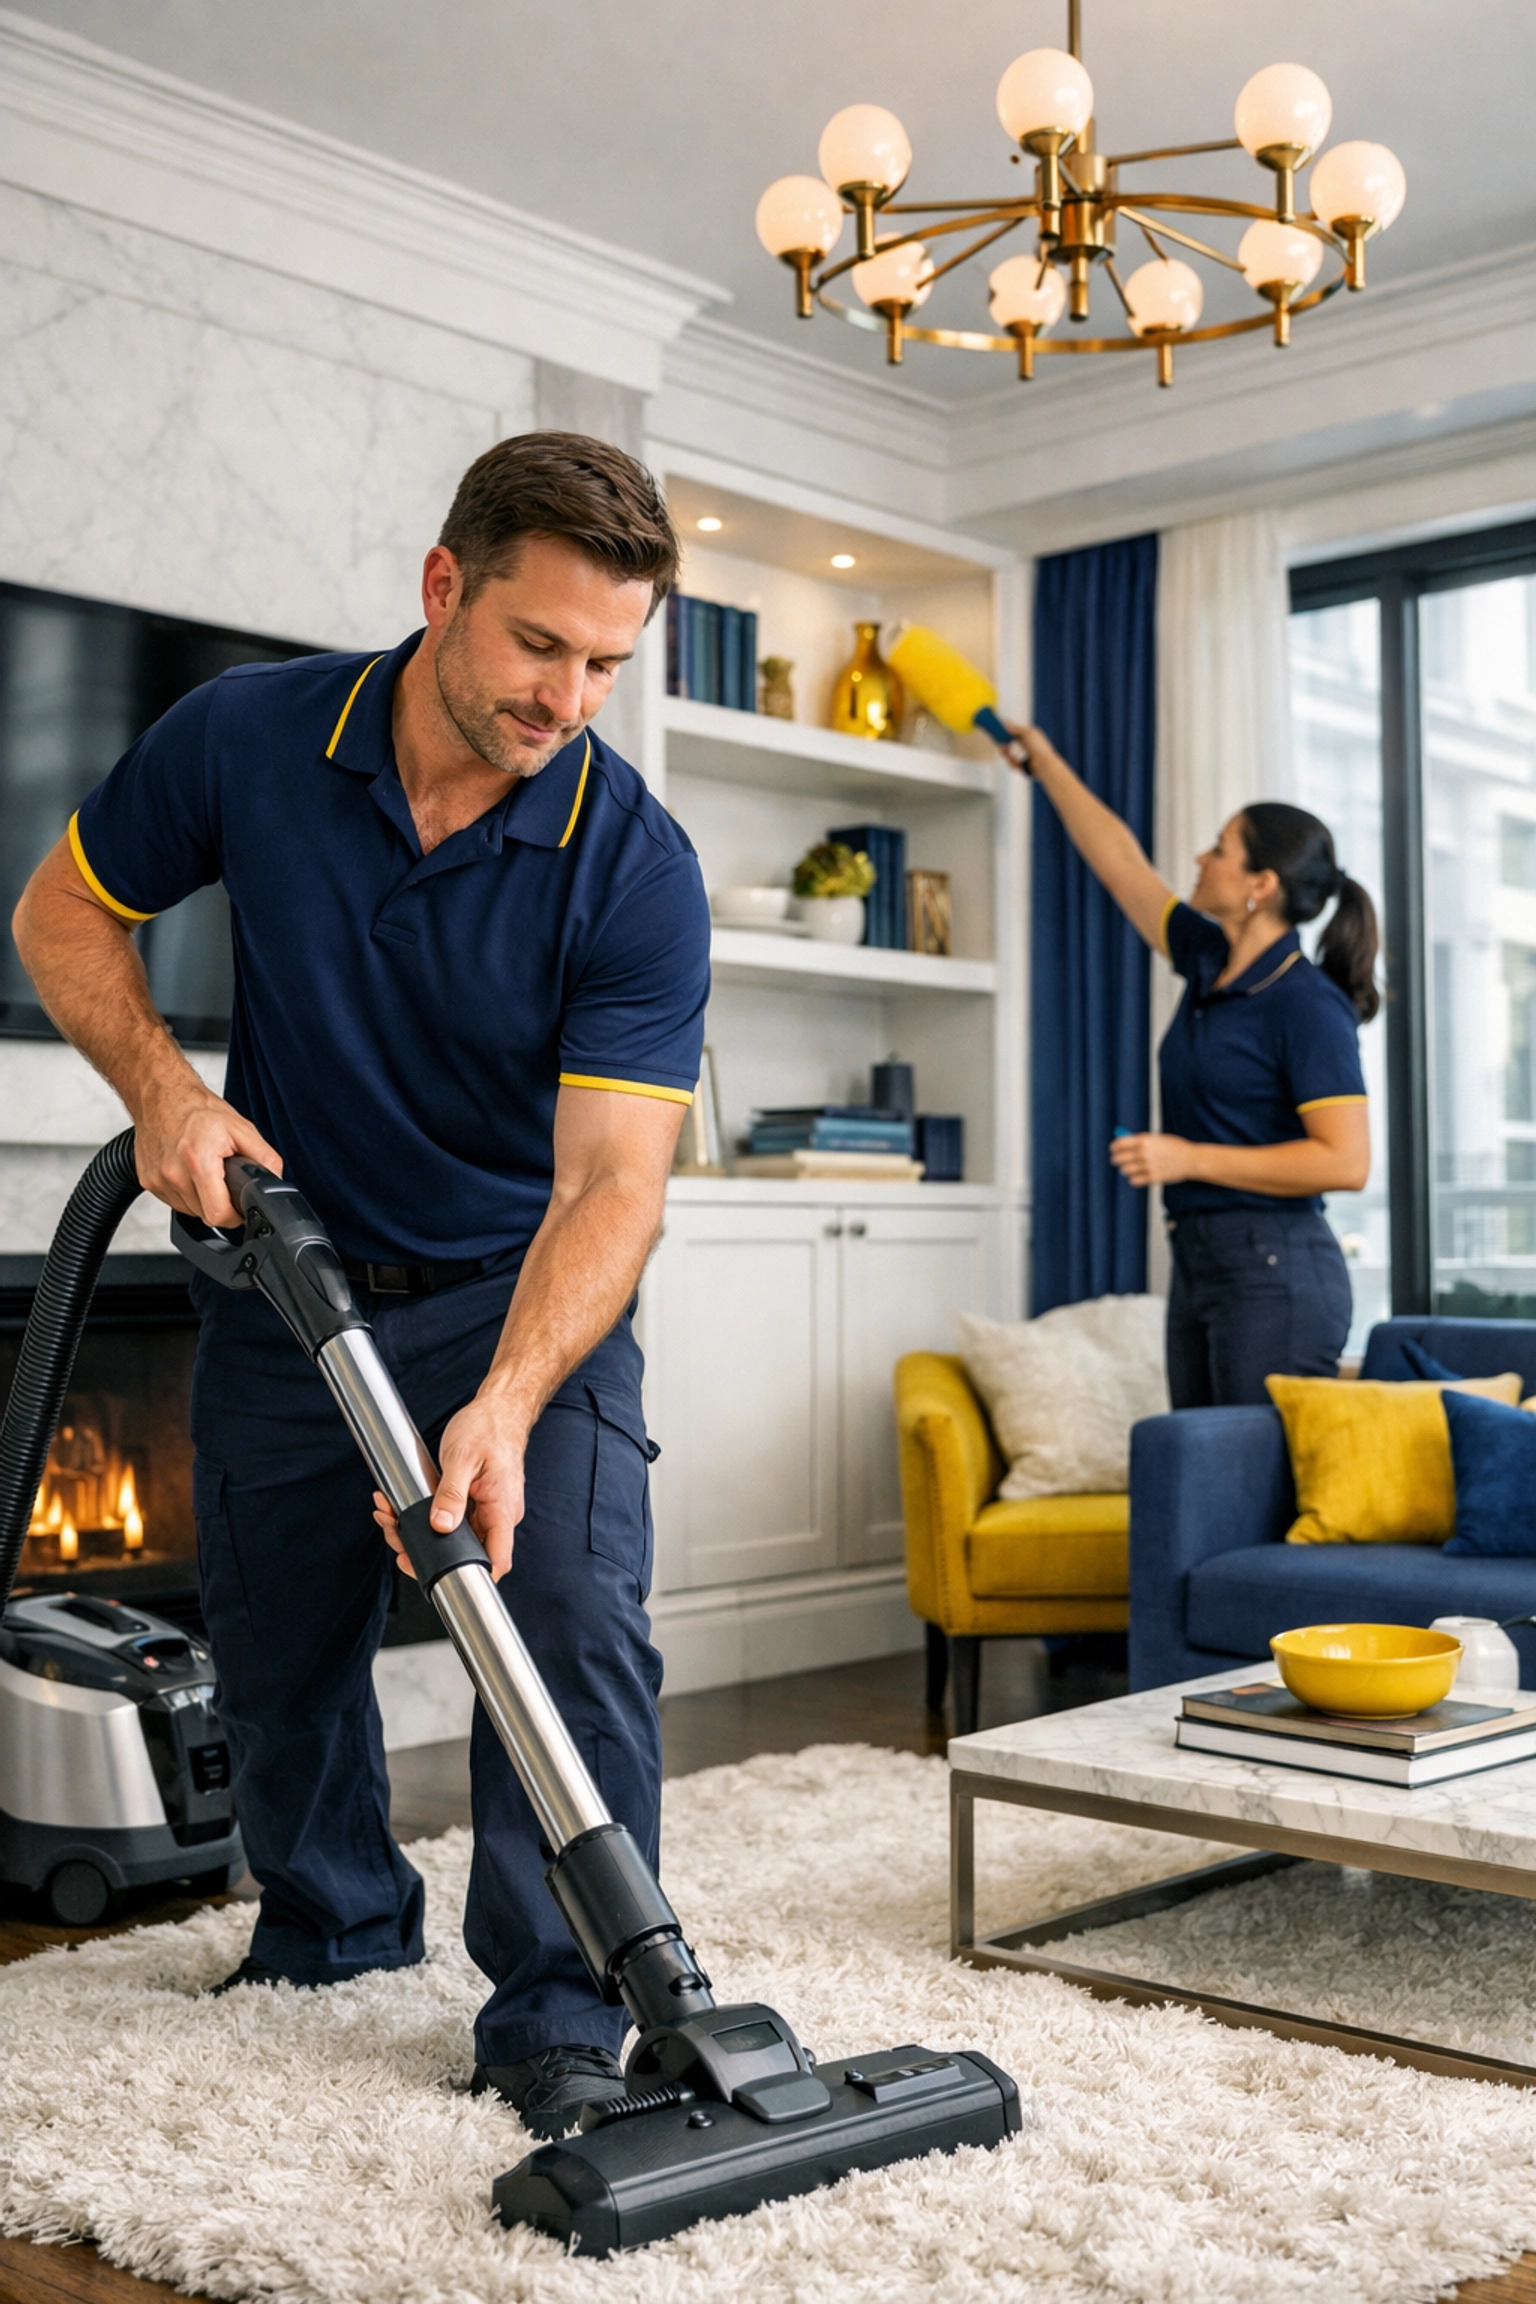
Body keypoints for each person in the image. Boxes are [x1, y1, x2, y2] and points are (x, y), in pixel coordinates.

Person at [12, 432, 711, 2141]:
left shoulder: (633, 861)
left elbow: (615, 1184)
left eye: (607, 662)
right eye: (540, 643)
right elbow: (62, 915)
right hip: (285, 1271)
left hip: (516, 1286)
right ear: (442, 588)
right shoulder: (251, 735)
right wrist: (169, 1098)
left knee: (566, 1621)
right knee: (274, 1637)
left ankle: (558, 2004)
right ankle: (330, 1924)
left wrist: (511, 1395)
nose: (569, 695)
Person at [1014, 724, 1376, 1408]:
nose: (1201, 857)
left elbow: (1345, 1162)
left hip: (1276, 1270)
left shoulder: (1304, 1004)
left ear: (1260, 885)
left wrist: (1188, 1158)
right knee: (1207, 1487)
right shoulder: (1208, 959)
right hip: (1201, 1260)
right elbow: (1120, 862)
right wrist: (1045, 761)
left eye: (1220, 849)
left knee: (1245, 1495)